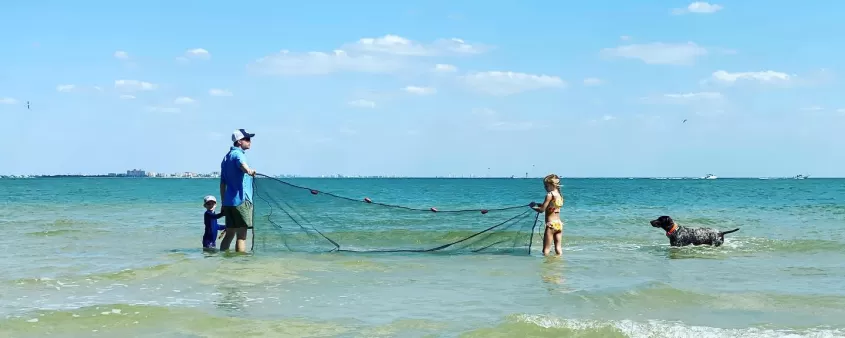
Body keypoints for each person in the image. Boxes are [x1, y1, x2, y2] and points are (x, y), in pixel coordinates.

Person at [219, 129, 257, 253]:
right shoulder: (238, 154)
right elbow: (242, 165)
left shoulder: (226, 158)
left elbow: (222, 184)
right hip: (241, 201)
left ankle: (222, 259)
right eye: (247, 139)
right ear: (239, 141)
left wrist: (223, 203)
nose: (250, 142)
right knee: (241, 236)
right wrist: (249, 170)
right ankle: (240, 263)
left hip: (229, 203)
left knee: (229, 234)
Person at [531, 174, 564, 256]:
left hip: (551, 225)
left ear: (553, 185)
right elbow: (552, 207)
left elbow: (542, 210)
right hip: (559, 224)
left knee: (546, 250)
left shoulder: (549, 195)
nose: (545, 187)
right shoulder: (559, 195)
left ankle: (546, 264)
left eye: (546, 186)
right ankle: (559, 261)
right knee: (558, 248)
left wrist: (533, 207)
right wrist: (539, 204)